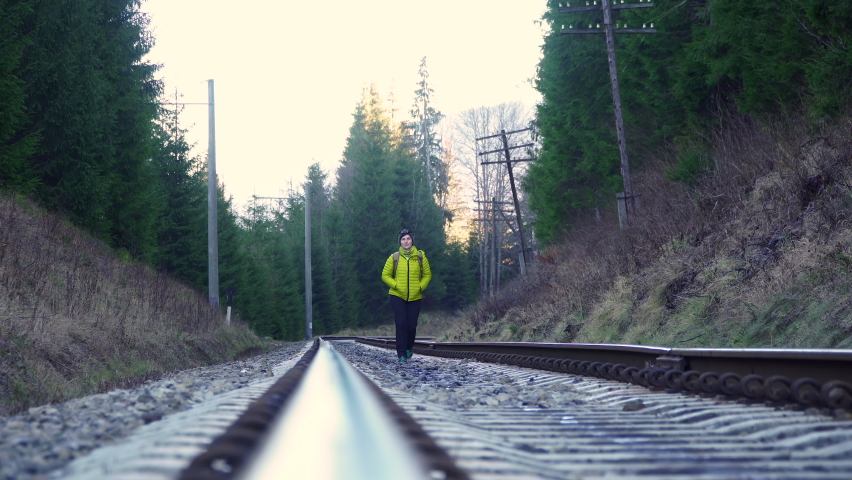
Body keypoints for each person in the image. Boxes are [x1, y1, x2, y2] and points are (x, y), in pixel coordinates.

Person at [381, 229, 432, 362]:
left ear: (412, 241)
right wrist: (396, 285)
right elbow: (385, 275)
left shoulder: (420, 257)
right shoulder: (394, 257)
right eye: (403, 239)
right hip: (397, 295)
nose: (406, 241)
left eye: (408, 239)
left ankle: (409, 347)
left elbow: (427, 275)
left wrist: (420, 287)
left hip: (415, 296)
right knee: (401, 323)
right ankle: (401, 354)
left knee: (411, 325)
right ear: (400, 242)